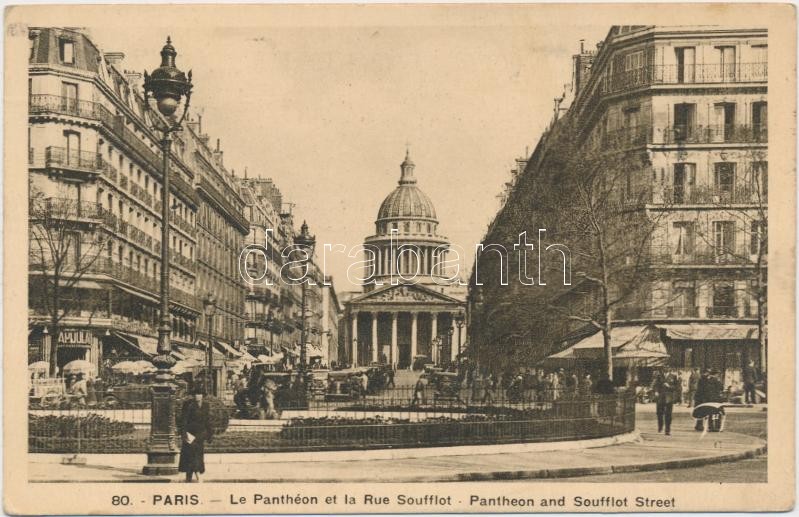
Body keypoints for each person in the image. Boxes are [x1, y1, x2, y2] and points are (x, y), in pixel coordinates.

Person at [178, 387, 214, 482]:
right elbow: (183, 420)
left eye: (200, 394)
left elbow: (207, 420)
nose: (197, 396)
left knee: (197, 455)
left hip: (200, 434)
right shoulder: (188, 404)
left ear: (203, 396)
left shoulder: (206, 405)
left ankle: (190, 476)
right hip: (189, 434)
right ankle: (194, 475)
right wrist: (184, 433)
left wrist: (210, 434)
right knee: (191, 454)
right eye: (196, 394)